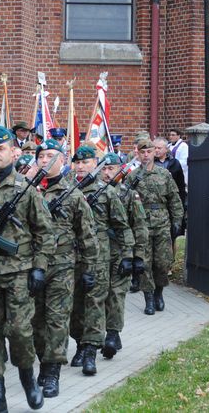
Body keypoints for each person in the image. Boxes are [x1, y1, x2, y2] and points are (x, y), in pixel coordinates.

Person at [0, 126, 53, 411]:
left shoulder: (26, 189)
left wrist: (39, 268)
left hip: (19, 272)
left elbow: (45, 232)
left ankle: (28, 380)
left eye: (1, 149)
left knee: (20, 331)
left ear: (13, 152)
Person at [33, 140, 98, 397]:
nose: (45, 160)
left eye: (52, 155)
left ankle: (51, 372)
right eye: (42, 156)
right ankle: (43, 357)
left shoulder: (73, 194)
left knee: (57, 319)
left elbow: (88, 235)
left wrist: (90, 269)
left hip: (62, 266)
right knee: (35, 320)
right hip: (32, 266)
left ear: (62, 161)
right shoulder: (27, 191)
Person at [69, 146, 133, 376]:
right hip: (71, 257)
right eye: (77, 162)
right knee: (74, 307)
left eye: (86, 162)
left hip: (99, 257)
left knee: (94, 302)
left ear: (94, 163)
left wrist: (127, 256)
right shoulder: (67, 190)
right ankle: (79, 342)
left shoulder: (107, 192)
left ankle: (89, 351)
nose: (81, 166)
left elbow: (122, 227)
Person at [100, 153, 148, 357]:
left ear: (120, 170)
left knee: (116, 293)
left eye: (111, 168)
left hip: (121, 251)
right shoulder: (95, 192)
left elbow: (139, 226)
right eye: (104, 168)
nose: (107, 172)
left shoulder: (128, 194)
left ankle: (112, 333)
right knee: (99, 294)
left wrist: (137, 256)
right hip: (98, 253)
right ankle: (106, 331)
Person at [129, 138, 184, 315]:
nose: (146, 155)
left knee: (162, 262)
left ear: (155, 152)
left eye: (149, 152)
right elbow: (124, 202)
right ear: (138, 154)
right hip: (141, 224)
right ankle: (149, 299)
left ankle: (159, 292)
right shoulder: (132, 177)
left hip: (161, 223)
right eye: (142, 152)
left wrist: (177, 221)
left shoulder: (164, 175)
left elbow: (174, 199)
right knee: (144, 263)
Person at [153, 137, 187, 208]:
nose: (156, 150)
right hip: (154, 202)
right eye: (154, 148)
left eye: (159, 148)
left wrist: (181, 205)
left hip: (171, 202)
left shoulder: (174, 163)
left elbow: (180, 185)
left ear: (166, 149)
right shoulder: (150, 163)